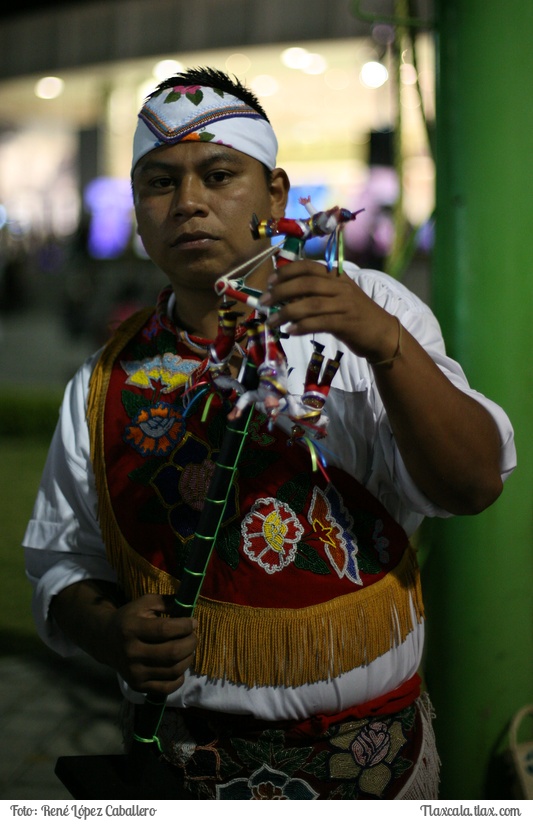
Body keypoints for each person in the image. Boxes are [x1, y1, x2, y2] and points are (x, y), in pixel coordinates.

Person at [23, 67, 516, 801]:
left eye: (217, 174)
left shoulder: (369, 311)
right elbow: (62, 560)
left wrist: (386, 347)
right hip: (180, 773)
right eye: (159, 183)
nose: (187, 203)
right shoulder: (108, 379)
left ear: (276, 195)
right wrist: (108, 632)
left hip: (370, 770)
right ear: (134, 210)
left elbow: (473, 484)